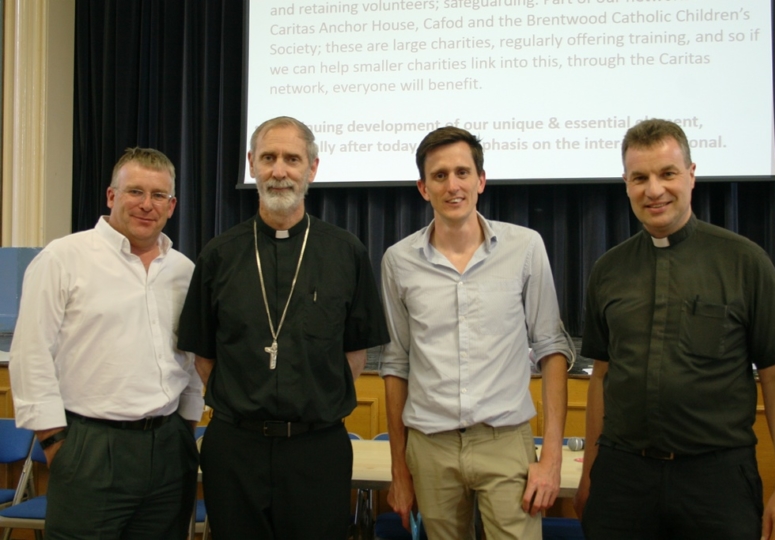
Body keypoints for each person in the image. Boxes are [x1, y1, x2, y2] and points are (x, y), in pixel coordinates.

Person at [574, 119, 775, 540]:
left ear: (692, 175)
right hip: (622, 479)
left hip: (717, 481)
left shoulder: (744, 262)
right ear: (625, 184)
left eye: (667, 174)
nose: (654, 190)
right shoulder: (608, 270)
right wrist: (591, 469)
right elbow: (601, 378)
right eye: (639, 178)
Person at [177, 116, 390, 539]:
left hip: (317, 448)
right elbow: (203, 355)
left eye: (292, 159)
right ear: (252, 164)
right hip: (235, 447)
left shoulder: (346, 252)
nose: (279, 170)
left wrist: (310, 401)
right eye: (269, 158)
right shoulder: (219, 255)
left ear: (312, 168)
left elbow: (355, 354)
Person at [380, 126, 574, 540]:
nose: (453, 185)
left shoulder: (525, 247)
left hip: (505, 442)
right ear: (422, 187)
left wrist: (552, 456)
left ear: (481, 180)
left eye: (463, 172)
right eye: (440, 175)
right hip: (430, 447)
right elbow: (396, 364)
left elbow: (552, 349)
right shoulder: (397, 261)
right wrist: (400, 466)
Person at [9, 148, 202, 539]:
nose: (147, 205)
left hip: (168, 449)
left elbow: (189, 357)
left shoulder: (184, 270)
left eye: (158, 195)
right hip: (89, 447)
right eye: (135, 192)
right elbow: (31, 355)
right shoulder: (63, 259)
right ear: (111, 196)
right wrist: (56, 444)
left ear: (172, 205)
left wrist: (185, 426)